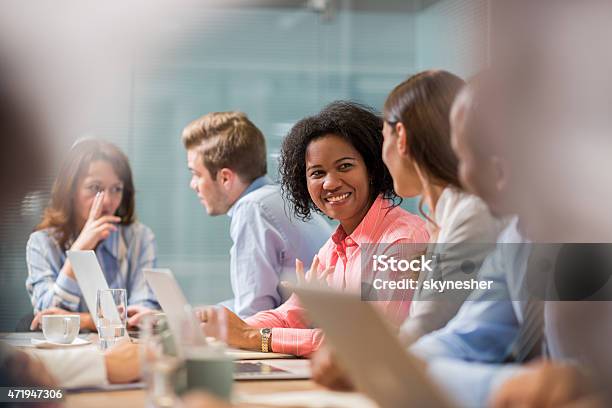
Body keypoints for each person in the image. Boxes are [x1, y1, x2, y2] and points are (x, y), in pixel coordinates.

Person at [311, 71, 507, 390]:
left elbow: (428, 326)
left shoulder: (470, 215)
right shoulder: (442, 217)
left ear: (400, 137)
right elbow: (467, 333)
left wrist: (373, 361)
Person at [200, 101, 429, 357]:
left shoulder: (403, 241)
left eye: (345, 166)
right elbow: (291, 315)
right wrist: (227, 327)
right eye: (317, 173)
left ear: (373, 168)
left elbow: (369, 343)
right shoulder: (334, 247)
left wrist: (255, 337)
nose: (330, 183)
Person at [181, 111, 331, 318]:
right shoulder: (282, 199)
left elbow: (253, 315)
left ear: (225, 178)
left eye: (196, 175)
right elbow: (255, 303)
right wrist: (189, 315)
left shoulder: (252, 209)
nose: (193, 185)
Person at [26, 139, 160, 330]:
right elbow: (47, 320)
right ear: (71, 189)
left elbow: (140, 318)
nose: (107, 201)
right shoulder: (42, 242)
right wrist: (79, 251)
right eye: (95, 188)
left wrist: (84, 320)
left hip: (122, 353)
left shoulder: (140, 238)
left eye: (116, 189)